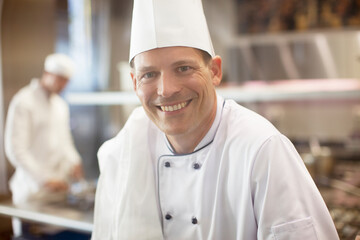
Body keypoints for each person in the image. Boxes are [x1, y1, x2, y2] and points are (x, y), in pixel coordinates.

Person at [92, 0, 339, 239]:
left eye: (183, 68)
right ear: (134, 83)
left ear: (215, 71)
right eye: (149, 74)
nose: (165, 90)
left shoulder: (262, 149)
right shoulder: (125, 150)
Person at [5, 54, 83, 206]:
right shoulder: (23, 101)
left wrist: (75, 161)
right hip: (32, 192)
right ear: (47, 74)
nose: (63, 85)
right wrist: (44, 179)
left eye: (67, 81)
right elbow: (16, 150)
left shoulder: (60, 105)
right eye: (60, 79)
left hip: (59, 191)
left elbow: (64, 140)